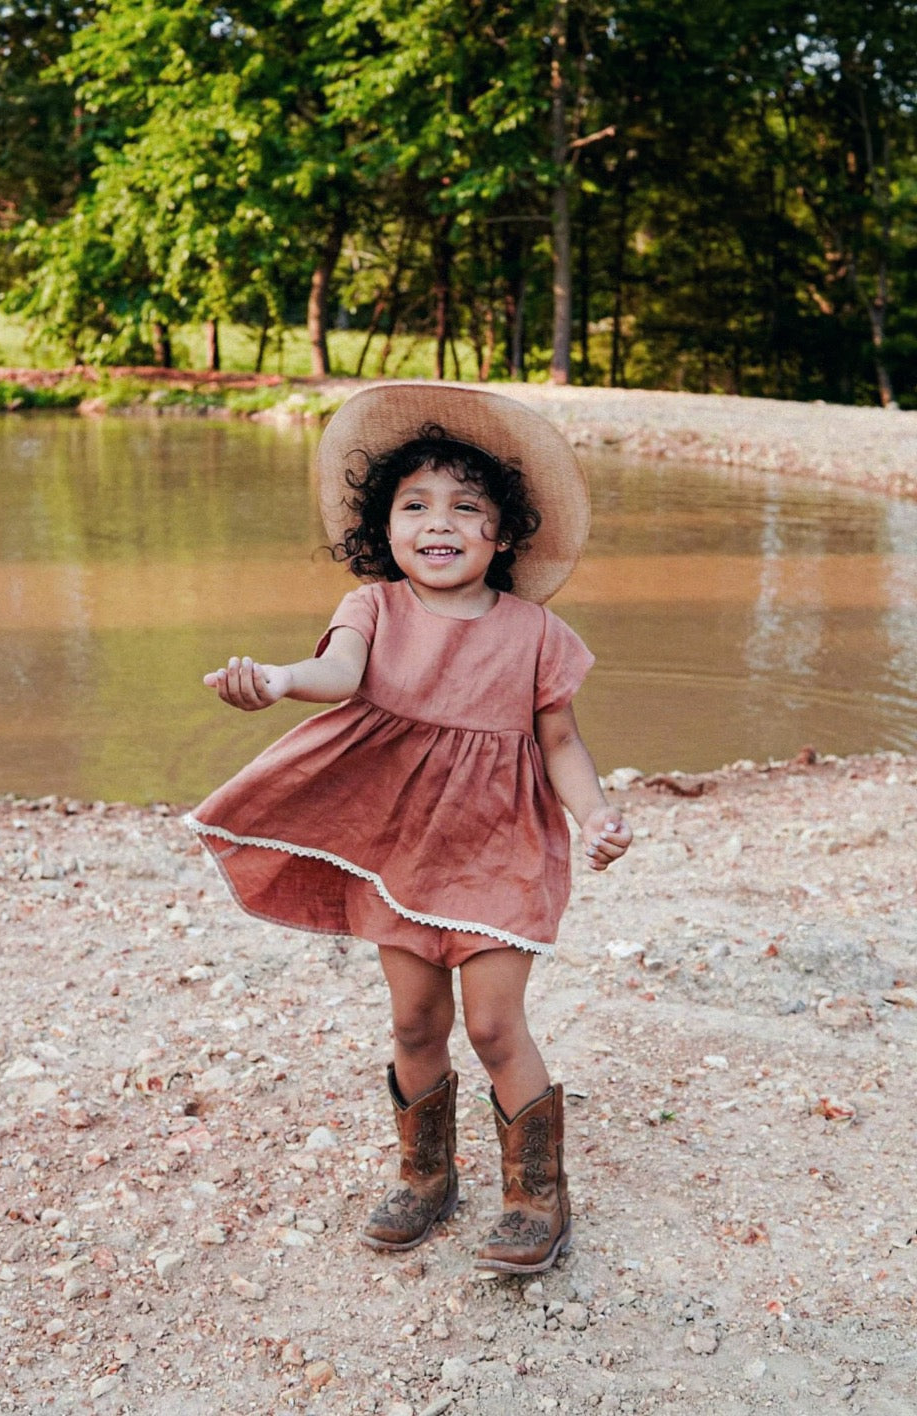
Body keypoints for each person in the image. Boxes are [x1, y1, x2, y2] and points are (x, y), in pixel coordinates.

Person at [186, 382, 632, 1275]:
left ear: (502, 536)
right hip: (401, 856)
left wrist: (595, 814)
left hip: (504, 852)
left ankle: (536, 1194)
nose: (441, 522)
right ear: (384, 529)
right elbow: (336, 674)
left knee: (497, 1027)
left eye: (467, 508)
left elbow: (561, 741)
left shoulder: (537, 633)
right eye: (416, 505)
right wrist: (275, 679)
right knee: (415, 1024)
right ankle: (426, 1176)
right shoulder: (373, 610)